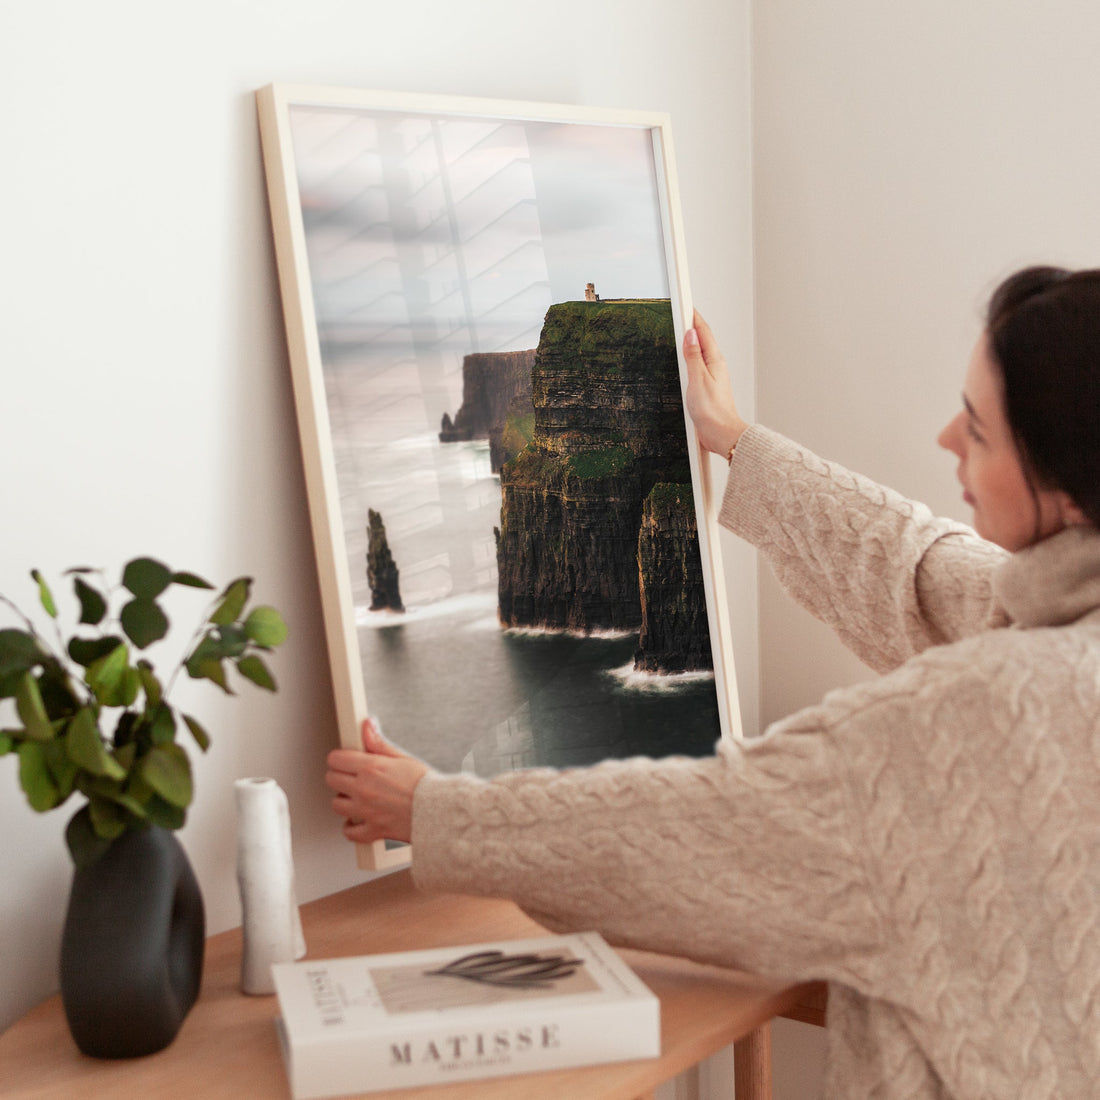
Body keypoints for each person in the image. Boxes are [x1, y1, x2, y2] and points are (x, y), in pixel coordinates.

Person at [325, 266, 1100, 1099]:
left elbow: (707, 827)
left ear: (1065, 487)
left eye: (979, 432)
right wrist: (734, 439)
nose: (947, 437)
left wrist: (435, 813)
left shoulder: (981, 716)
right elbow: (917, 569)